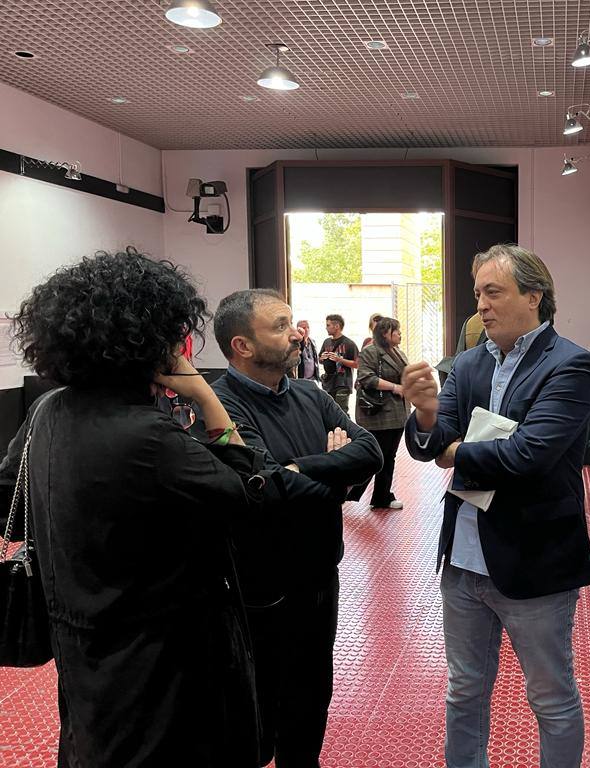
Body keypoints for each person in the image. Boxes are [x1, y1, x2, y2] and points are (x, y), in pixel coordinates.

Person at [0, 248, 277, 768]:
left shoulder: (46, 410)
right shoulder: (147, 435)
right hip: (162, 661)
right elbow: (247, 496)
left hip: (82, 651)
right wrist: (208, 399)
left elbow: (6, 507)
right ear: (149, 341)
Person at [402, 244, 590, 768]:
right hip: (463, 562)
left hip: (534, 562)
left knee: (550, 698)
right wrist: (425, 416)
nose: (482, 306)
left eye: (494, 292)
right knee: (464, 691)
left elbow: (528, 457)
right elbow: (429, 444)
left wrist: (453, 452)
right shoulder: (466, 364)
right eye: (477, 295)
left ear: (534, 296)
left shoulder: (571, 365)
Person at [211, 290, 383, 768]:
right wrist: (335, 473)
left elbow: (371, 452)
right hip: (258, 590)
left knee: (310, 704)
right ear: (242, 345)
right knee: (256, 713)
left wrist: (299, 470)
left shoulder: (310, 393)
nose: (296, 334)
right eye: (280, 325)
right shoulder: (221, 407)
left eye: (293, 322)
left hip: (320, 577)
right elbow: (265, 489)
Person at [356, 317, 411, 510]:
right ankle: (351, 490)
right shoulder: (370, 352)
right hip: (378, 413)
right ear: (385, 333)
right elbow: (366, 378)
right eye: (396, 331)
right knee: (376, 456)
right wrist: (395, 387)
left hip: (397, 413)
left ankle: (382, 496)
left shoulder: (398, 352)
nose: (399, 334)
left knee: (388, 456)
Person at [319, 314, 358, 415]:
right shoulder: (326, 342)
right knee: (328, 411)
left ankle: (345, 430)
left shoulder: (349, 343)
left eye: (328, 325)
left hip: (342, 383)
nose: (326, 328)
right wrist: (322, 358)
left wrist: (340, 360)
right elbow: (319, 359)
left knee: (341, 412)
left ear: (336, 326)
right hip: (328, 383)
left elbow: (357, 364)